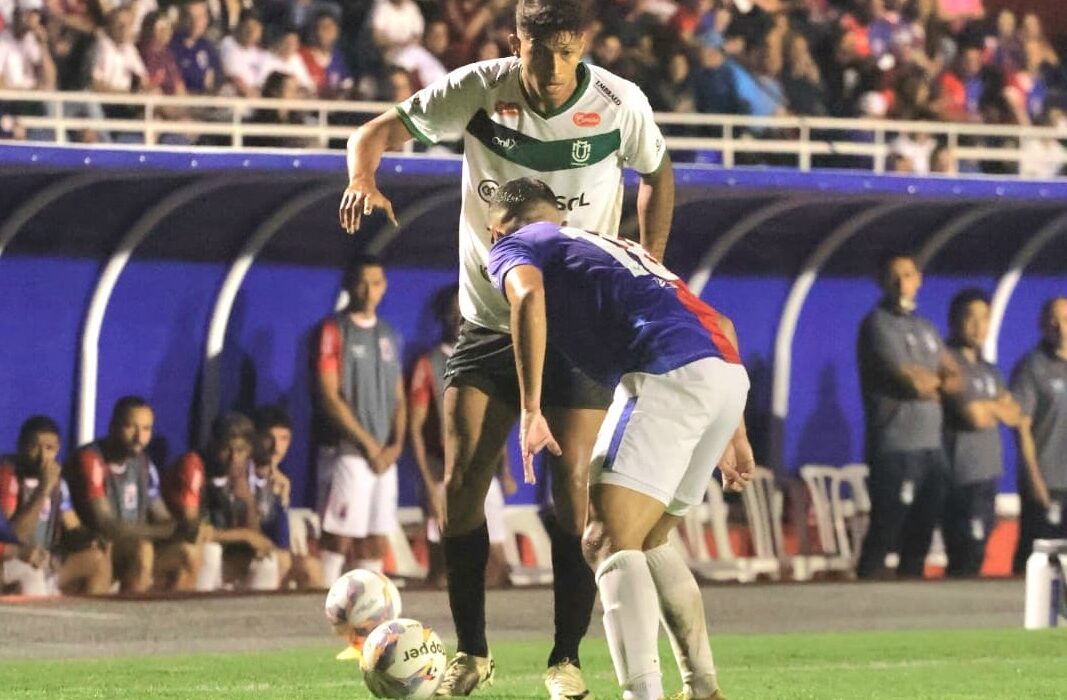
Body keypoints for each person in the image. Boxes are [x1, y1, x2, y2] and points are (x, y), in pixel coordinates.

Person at [339, 0, 673, 693]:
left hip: (579, 330)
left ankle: (565, 660)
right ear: (513, 42)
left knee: (571, 495)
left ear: (582, 44)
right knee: (461, 486)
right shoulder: (476, 88)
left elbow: (659, 173)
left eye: (563, 52)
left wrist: (647, 258)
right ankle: (472, 653)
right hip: (489, 323)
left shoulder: (619, 103)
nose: (550, 68)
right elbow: (372, 131)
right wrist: (360, 175)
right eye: (536, 51)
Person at [486, 177, 750, 700]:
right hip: (724, 374)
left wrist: (531, 406)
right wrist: (734, 428)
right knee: (648, 539)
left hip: (664, 373)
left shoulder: (515, 245)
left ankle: (642, 694)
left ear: (495, 230)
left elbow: (528, 295)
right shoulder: (612, 243)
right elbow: (720, 320)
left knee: (603, 539)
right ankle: (702, 688)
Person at [856, 253, 962, 579]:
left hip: (932, 447)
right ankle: (859, 603)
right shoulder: (877, 324)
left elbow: (956, 377)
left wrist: (933, 382)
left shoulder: (926, 327)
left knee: (923, 532)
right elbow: (912, 383)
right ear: (882, 282)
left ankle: (909, 605)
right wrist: (928, 381)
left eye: (909, 275)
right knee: (888, 527)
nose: (903, 282)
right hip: (895, 447)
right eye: (895, 276)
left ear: (919, 280)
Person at [408, 285, 517, 589]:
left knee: (497, 561)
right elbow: (415, 427)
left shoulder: (485, 357)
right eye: (453, 312)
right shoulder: (428, 363)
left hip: (483, 468)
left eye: (464, 311)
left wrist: (505, 469)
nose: (459, 318)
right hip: (443, 472)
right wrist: (429, 484)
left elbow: (495, 417)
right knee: (444, 563)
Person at [313, 255, 406, 587]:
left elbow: (399, 395)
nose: (370, 290)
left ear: (385, 287)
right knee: (338, 535)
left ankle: (371, 612)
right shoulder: (334, 330)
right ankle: (319, 603)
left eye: (377, 282)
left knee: (374, 537)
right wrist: (368, 445)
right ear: (350, 285)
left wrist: (396, 445)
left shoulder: (389, 334)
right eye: (363, 281)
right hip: (350, 452)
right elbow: (329, 396)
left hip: (384, 457)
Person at [68, 396, 200, 593]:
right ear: (113, 426)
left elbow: (161, 515)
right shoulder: (91, 459)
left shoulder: (144, 464)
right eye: (131, 427)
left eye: (146, 429)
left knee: (188, 553)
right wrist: (165, 531)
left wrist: (186, 526)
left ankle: (173, 617)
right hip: (96, 549)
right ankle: (133, 617)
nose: (139, 437)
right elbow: (106, 525)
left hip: (132, 547)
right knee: (142, 549)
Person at [941, 290, 1022, 577]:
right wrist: (993, 408)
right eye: (970, 318)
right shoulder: (948, 361)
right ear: (953, 322)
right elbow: (973, 417)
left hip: (987, 475)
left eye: (984, 319)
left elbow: (1014, 414)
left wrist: (990, 407)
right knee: (965, 555)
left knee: (977, 555)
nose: (978, 327)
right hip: (962, 476)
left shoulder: (988, 369)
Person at [164, 413, 282, 590]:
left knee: (267, 558)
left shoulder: (241, 475)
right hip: (176, 548)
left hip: (223, 551)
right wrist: (244, 535)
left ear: (249, 451)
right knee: (211, 552)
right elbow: (191, 530)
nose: (233, 458)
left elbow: (256, 536)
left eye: (240, 451)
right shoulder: (194, 465)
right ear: (213, 445)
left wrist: (248, 500)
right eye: (226, 449)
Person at [0, 416, 110, 595]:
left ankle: (95, 619)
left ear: (58, 449)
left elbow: (72, 524)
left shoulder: (57, 482)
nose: (42, 456)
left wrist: (93, 537)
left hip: (45, 558)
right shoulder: (8, 476)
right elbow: (12, 535)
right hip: (13, 559)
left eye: (49, 448)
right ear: (20, 446)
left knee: (97, 560)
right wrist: (43, 489)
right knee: (32, 573)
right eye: (34, 447)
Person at [1011, 297, 1067, 574]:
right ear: (1042, 325)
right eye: (1054, 321)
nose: (1061, 328)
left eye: (1066, 320)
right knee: (1039, 559)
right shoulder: (1032, 367)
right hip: (1048, 483)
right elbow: (1021, 428)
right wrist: (1034, 479)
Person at [253, 404, 323, 589]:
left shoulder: (283, 482)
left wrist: (282, 498)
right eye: (271, 439)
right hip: (247, 548)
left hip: (277, 550)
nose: (277, 447)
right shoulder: (248, 474)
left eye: (284, 439)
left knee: (311, 567)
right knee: (281, 560)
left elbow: (280, 536)